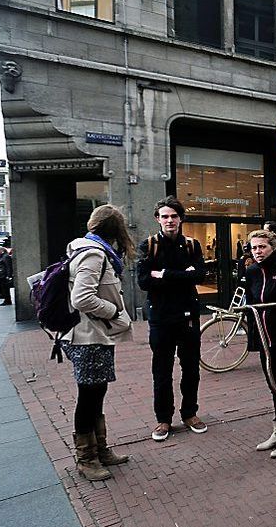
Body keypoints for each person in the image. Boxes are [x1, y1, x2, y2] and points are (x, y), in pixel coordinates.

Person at [61, 205, 134, 481]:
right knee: (89, 396)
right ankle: (86, 458)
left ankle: (100, 449)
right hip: (87, 337)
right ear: (115, 230)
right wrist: (113, 311)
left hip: (92, 335)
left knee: (96, 393)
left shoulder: (87, 249)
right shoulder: (93, 254)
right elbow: (81, 298)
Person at [136, 196, 208, 442]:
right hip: (161, 316)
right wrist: (182, 275)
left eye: (174, 216)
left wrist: (164, 274)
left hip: (188, 315)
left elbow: (199, 275)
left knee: (190, 368)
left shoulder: (192, 245)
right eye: (165, 216)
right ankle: (163, 419)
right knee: (162, 370)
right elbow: (144, 281)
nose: (169, 220)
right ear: (157, 219)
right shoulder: (148, 246)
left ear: (181, 219)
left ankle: (190, 414)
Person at [244, 229, 276, 458]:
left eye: (262, 247)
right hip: (264, 336)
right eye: (254, 247)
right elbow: (251, 305)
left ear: (273, 247)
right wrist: (254, 340)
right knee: (271, 382)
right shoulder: (252, 271)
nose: (258, 252)